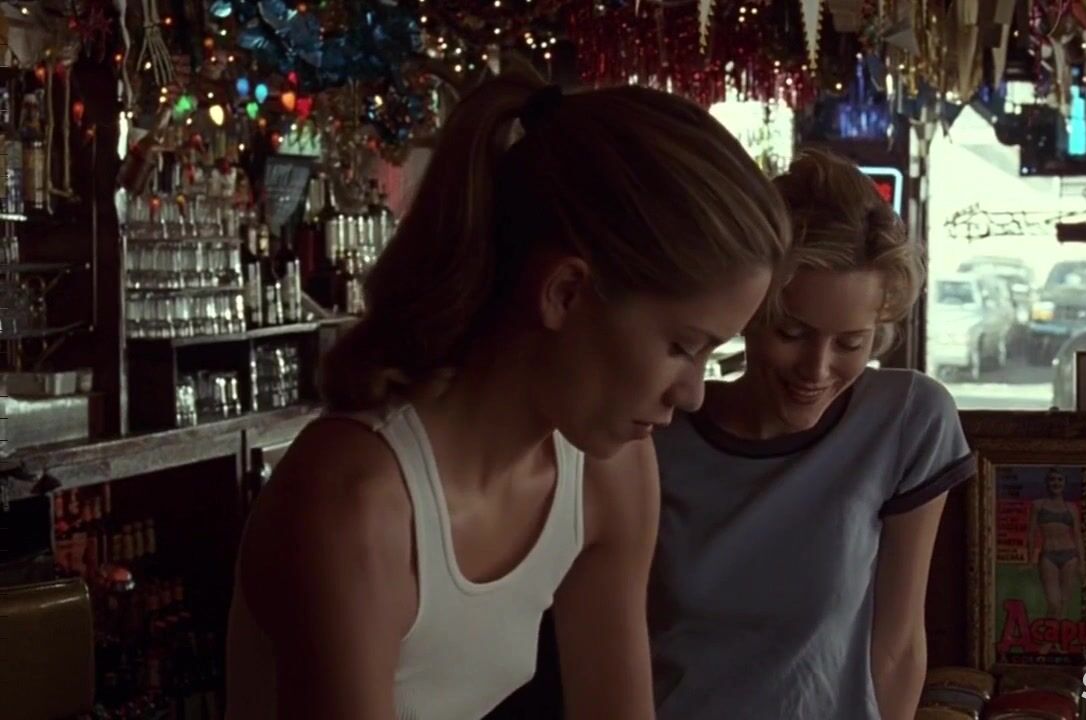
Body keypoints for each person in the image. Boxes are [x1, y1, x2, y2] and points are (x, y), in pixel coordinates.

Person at [223, 73, 791, 720]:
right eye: (683, 347)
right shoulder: (359, 501)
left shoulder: (608, 470)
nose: (692, 396)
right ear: (565, 293)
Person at [646, 149, 975, 720]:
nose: (816, 370)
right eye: (792, 333)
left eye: (850, 342)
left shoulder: (907, 419)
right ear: (748, 312)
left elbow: (898, 647)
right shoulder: (654, 432)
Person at [1028, 469, 1085, 621]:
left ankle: (1056, 635)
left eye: (1060, 479)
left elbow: (1078, 536)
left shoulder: (1071, 508)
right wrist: (1030, 559)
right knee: (1053, 603)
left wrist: (1082, 563)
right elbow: (1031, 534)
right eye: (1052, 479)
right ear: (1047, 482)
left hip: (1070, 556)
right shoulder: (1038, 505)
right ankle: (1047, 632)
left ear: (1065, 483)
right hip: (1048, 556)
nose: (1056, 483)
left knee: (1064, 604)